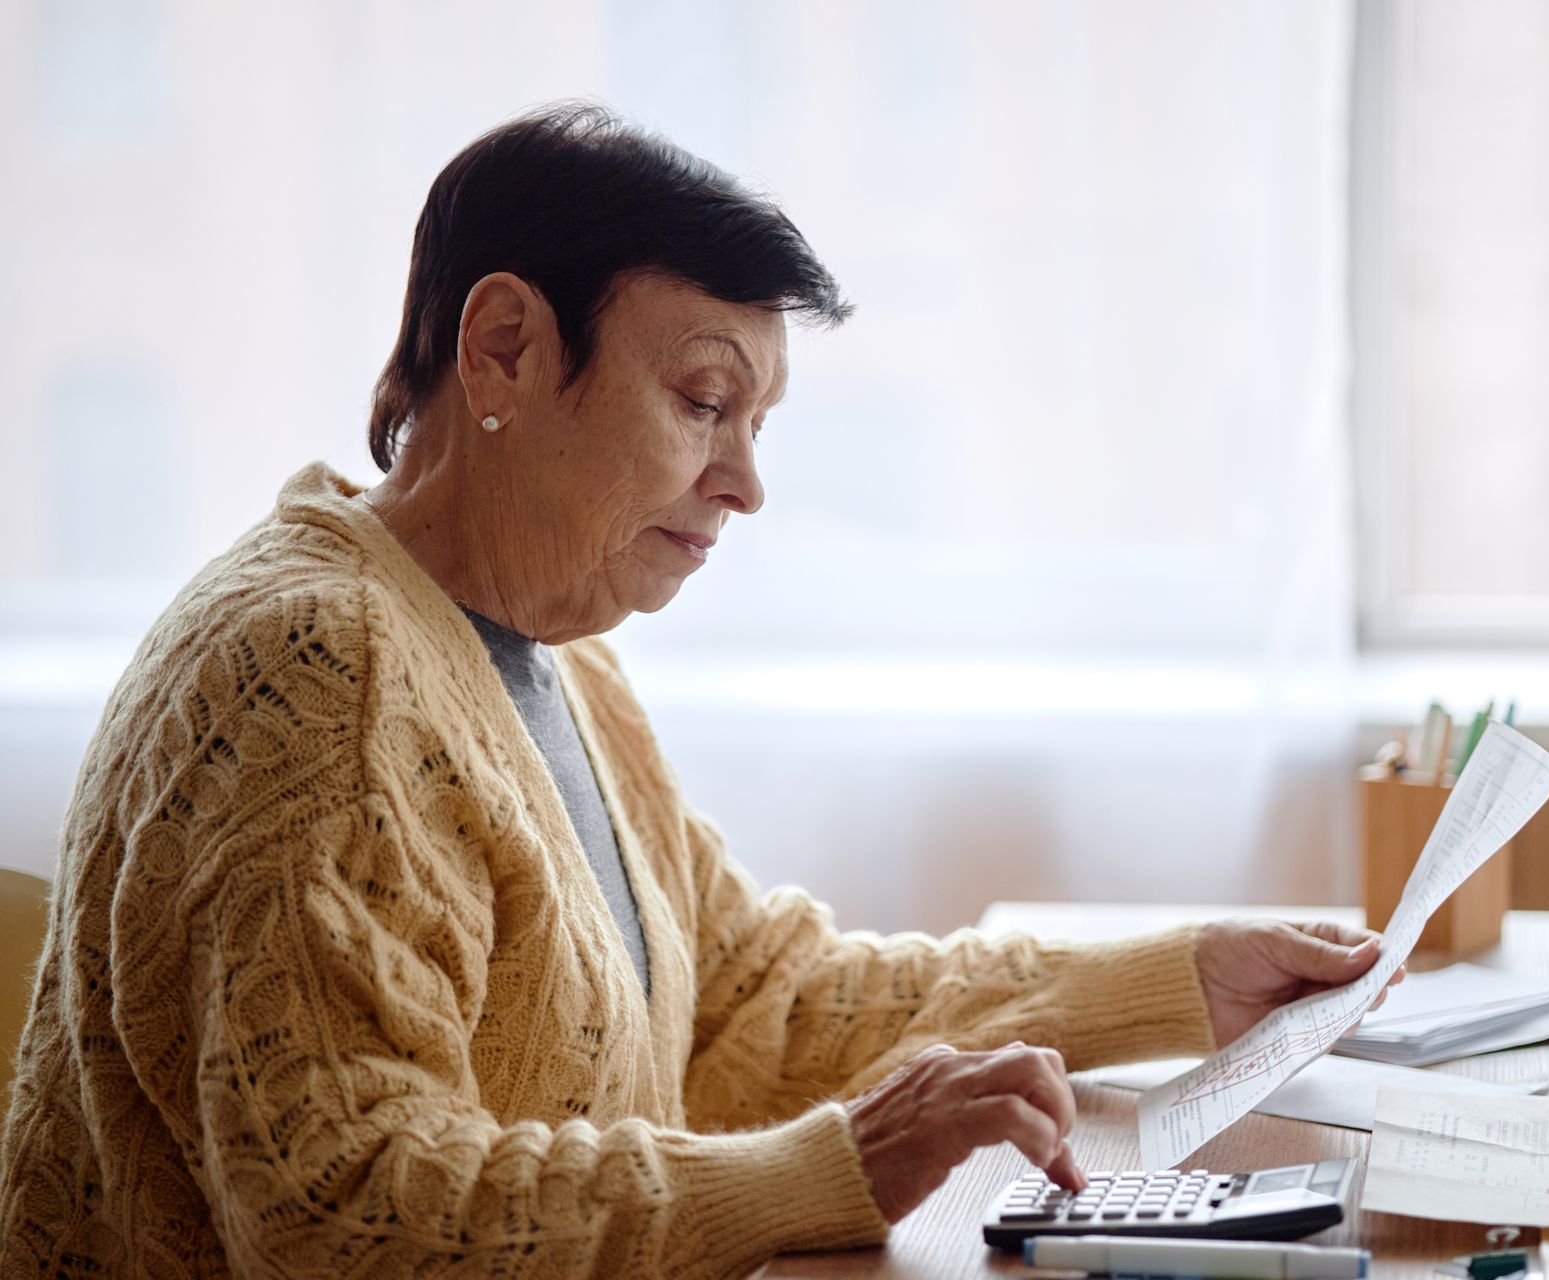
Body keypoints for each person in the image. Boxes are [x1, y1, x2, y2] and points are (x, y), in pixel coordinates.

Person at [0, 103, 1399, 1279]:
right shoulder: (320, 677)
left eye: (756, 423)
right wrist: (832, 1168)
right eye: (703, 402)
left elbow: (749, 1003)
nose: (744, 483)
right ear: (503, 348)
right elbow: (346, 1215)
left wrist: (1173, 979)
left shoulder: (550, 650)